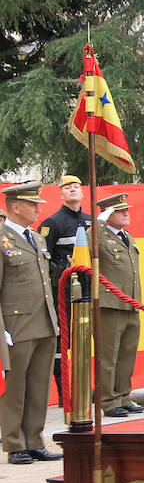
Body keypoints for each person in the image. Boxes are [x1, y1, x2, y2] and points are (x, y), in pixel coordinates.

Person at [0, 181, 61, 463]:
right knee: (16, 387)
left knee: (38, 385)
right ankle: (15, 443)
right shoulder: (2, 239)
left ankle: (35, 439)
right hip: (17, 324)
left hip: (44, 321)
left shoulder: (36, 238)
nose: (38, 209)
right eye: (32, 204)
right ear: (15, 207)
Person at [95, 193, 144, 418]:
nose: (126, 213)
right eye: (119, 210)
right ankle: (108, 400)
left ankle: (124, 396)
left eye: (127, 209)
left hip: (131, 302)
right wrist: (99, 221)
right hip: (109, 304)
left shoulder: (127, 236)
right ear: (106, 214)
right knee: (108, 355)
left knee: (127, 354)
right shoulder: (96, 235)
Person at [39, 174, 89, 402]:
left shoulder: (90, 221)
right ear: (60, 193)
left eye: (76, 186)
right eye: (67, 187)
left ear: (82, 191)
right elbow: (43, 260)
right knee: (63, 341)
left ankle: (83, 387)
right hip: (63, 291)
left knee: (84, 338)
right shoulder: (52, 223)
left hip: (88, 290)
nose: (72, 190)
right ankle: (64, 391)